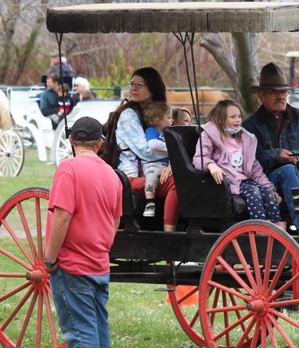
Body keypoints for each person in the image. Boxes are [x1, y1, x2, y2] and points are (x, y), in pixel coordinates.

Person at [43, 116, 123, 348]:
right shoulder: (112, 175)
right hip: (99, 262)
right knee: (99, 322)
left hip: (72, 263)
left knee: (78, 325)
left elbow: (62, 215)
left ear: (71, 141)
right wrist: (102, 247)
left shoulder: (68, 169)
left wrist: (50, 258)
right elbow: (115, 221)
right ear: (100, 144)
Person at [242, 62, 299, 231]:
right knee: (287, 170)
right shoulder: (249, 126)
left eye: (283, 92)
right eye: (274, 92)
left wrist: (297, 156)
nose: (280, 96)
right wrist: (276, 155)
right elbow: (247, 159)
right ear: (261, 95)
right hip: (265, 182)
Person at [110, 67, 179, 231]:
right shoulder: (128, 115)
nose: (133, 88)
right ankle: (170, 235)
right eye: (131, 84)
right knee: (179, 181)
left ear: (153, 88)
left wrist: (172, 165)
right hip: (132, 175)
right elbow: (146, 151)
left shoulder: (157, 113)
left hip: (154, 170)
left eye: (139, 84)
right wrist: (178, 153)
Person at [194, 99, 284, 226]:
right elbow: (199, 158)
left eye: (239, 116)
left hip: (245, 181)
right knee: (254, 192)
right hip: (228, 182)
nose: (238, 120)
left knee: (269, 194)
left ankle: (277, 229)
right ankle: (259, 229)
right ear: (220, 119)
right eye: (233, 117)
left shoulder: (246, 139)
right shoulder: (209, 136)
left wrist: (271, 189)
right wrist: (211, 165)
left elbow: (255, 169)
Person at [142, 102, 172, 218]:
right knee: (152, 174)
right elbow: (153, 144)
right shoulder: (151, 131)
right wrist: (171, 148)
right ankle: (150, 202)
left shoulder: (167, 133)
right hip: (153, 163)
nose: (171, 120)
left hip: (165, 164)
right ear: (158, 120)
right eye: (168, 118)